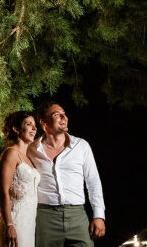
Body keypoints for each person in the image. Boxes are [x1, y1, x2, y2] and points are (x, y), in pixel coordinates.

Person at [28, 101, 106, 246]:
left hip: (77, 215)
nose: (64, 117)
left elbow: (93, 181)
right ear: (43, 122)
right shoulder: (32, 150)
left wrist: (99, 215)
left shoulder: (81, 146)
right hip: (45, 218)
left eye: (64, 113)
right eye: (57, 114)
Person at [0, 111, 40, 247]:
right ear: (16, 129)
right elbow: (3, 192)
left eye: (34, 125)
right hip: (15, 220)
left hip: (29, 223)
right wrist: (9, 224)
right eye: (29, 124)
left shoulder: (28, 158)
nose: (34, 128)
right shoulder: (10, 153)